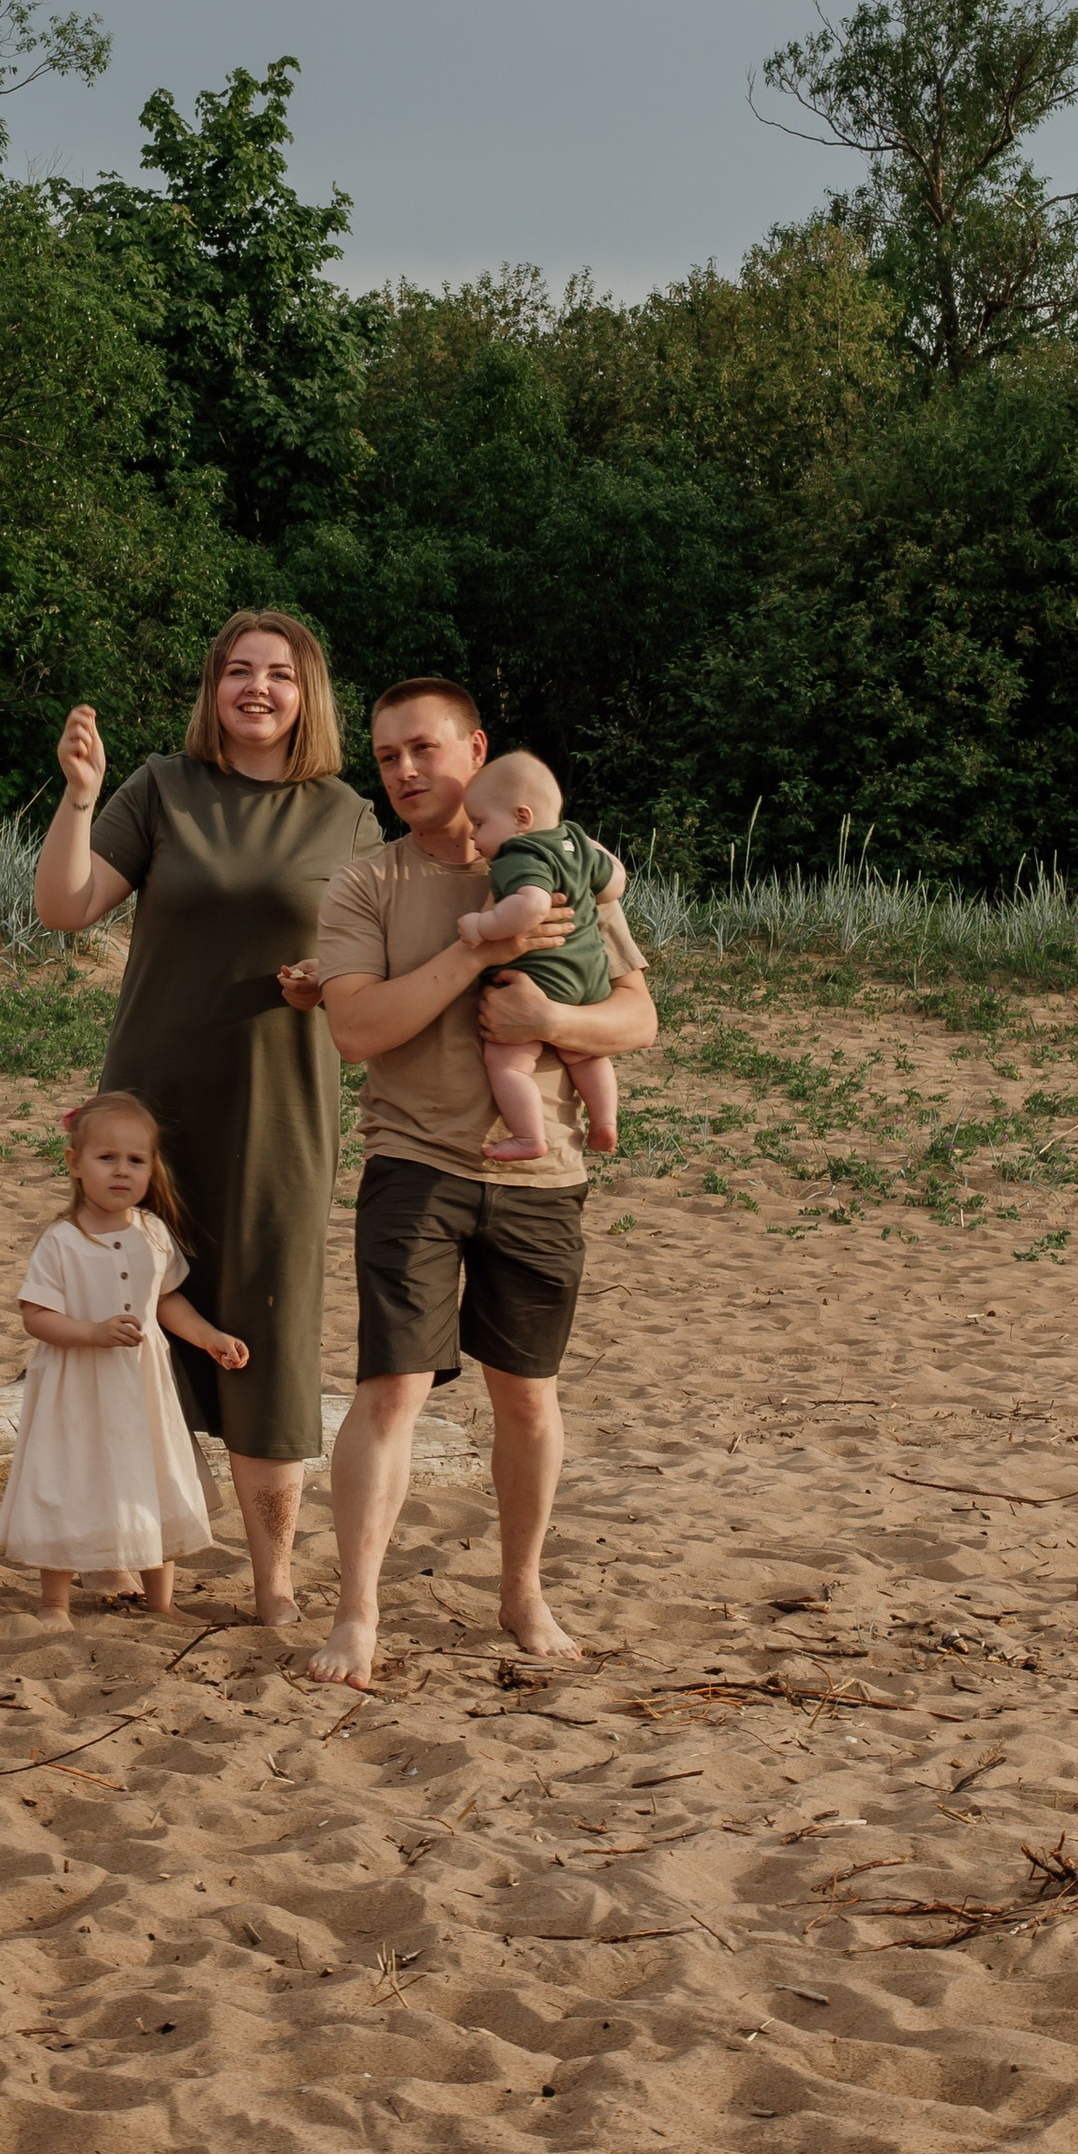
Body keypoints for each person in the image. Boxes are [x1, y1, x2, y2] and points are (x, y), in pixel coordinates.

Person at [31, 614, 382, 1628]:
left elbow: (378, 956)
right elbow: (65, 907)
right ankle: (123, 1550)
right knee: (127, 1320)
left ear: (308, 695)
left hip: (280, 1105)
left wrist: (331, 978)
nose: (257, 688)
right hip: (151, 1106)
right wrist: (80, 799)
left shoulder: (346, 814)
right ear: (212, 689)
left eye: (278, 674)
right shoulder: (161, 788)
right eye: (238, 671)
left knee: (266, 1329)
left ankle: (273, 1580)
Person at [306, 678, 658, 1689]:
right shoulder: (364, 883)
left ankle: (521, 1593)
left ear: (476, 752)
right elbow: (357, 1031)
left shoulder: (562, 861)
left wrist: (549, 1025)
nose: (405, 772)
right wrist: (484, 958)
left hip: (542, 1172)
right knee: (389, 1392)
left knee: (530, 1401)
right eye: (384, 758)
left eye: (423, 749)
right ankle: (358, 1613)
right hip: (412, 1164)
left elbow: (638, 1018)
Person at [0, 1092, 245, 1623]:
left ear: (152, 1168)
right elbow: (35, 1315)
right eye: (106, 1158)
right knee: (68, 1478)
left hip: (142, 1388)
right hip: (77, 1388)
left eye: (136, 1160)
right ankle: (54, 1603)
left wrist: (208, 1337)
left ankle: (162, 1603)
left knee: (152, 1476)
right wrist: (92, 1331)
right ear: (75, 1163)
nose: (121, 1171)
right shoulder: (62, 1241)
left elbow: (167, 1299)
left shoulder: (152, 1233)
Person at [455, 750, 625, 1162]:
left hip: (544, 976)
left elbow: (531, 907)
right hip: (590, 976)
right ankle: (604, 1121)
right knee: (585, 1052)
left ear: (522, 818)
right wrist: (592, 848)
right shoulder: (574, 842)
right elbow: (615, 883)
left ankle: (529, 1136)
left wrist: (482, 927)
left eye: (479, 824)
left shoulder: (519, 854)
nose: (473, 836)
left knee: (507, 1063)